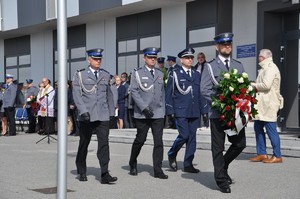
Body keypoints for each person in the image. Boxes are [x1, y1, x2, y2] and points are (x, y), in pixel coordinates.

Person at [201, 32, 246, 193]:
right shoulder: (210, 66)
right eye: (224, 44)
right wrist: (220, 103)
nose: (227, 46)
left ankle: (223, 165)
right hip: (218, 113)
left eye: (229, 44)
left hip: (234, 115)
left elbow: (243, 88)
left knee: (240, 144)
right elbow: (204, 90)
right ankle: (221, 180)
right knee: (218, 147)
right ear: (217, 47)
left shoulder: (238, 65)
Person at [72, 48, 117, 184]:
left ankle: (104, 173)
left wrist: (111, 114)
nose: (98, 61)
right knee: (84, 144)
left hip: (102, 115)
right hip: (87, 116)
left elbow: (110, 95)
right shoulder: (80, 75)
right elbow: (77, 95)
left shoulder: (106, 75)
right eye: (95, 59)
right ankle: (81, 171)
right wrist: (83, 111)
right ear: (89, 60)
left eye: (99, 59)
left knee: (104, 144)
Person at [128, 47, 168, 179]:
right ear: (144, 58)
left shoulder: (160, 73)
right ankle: (132, 162)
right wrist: (144, 107)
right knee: (140, 139)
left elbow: (162, 93)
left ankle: (158, 170)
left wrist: (163, 110)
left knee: (158, 142)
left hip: (157, 113)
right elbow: (133, 91)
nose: (153, 59)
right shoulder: (137, 73)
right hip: (143, 113)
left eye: (154, 57)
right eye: (150, 57)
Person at [166, 47, 202, 173]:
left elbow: (199, 93)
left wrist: (204, 110)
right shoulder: (175, 73)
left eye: (192, 57)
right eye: (187, 58)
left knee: (192, 138)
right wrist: (169, 111)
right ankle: (172, 153)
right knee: (184, 135)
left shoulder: (197, 74)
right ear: (181, 60)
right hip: (180, 110)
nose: (190, 60)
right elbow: (169, 92)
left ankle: (188, 164)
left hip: (194, 110)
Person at [249, 49, 284, 163]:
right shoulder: (265, 68)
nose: (258, 58)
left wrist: (252, 85)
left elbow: (266, 85)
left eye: (259, 56)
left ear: (263, 57)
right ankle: (262, 153)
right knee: (257, 127)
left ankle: (277, 155)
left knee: (271, 129)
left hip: (269, 103)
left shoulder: (270, 68)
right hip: (263, 104)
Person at [193, 52, 209, 129]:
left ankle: (205, 123)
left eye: (202, 57)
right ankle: (198, 124)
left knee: (204, 105)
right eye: (199, 57)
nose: (200, 59)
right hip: (197, 88)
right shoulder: (195, 67)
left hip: (204, 88)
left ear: (204, 58)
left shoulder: (207, 66)